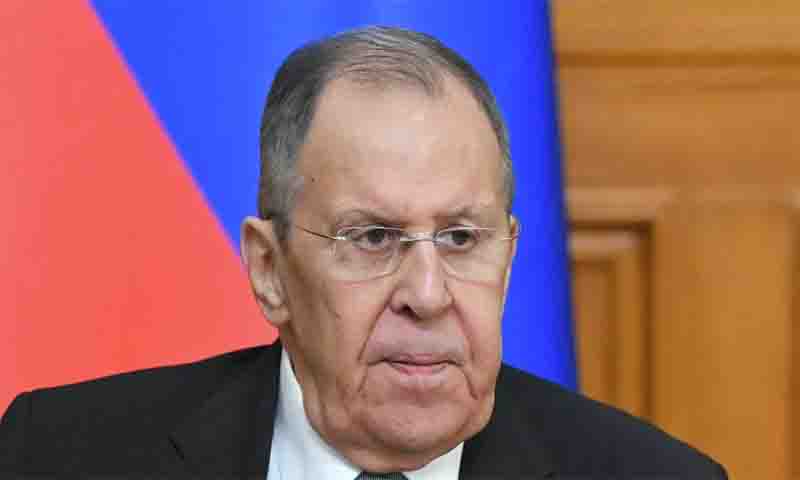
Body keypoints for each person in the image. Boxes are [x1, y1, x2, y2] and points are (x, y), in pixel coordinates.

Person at [1, 26, 726, 479]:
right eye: (373, 237)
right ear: (269, 269)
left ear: (508, 257)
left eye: (461, 238)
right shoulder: (58, 457)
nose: (428, 294)